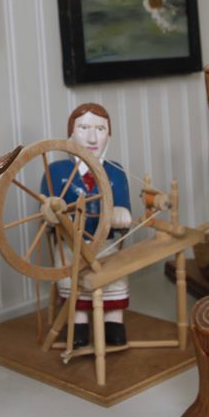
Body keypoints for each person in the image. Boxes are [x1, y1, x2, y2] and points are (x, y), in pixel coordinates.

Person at [41, 103, 132, 347]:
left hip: (107, 244)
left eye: (100, 129)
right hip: (70, 245)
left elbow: (123, 203)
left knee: (114, 276)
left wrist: (121, 212)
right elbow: (46, 204)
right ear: (70, 134)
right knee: (71, 279)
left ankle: (113, 322)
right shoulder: (57, 171)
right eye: (84, 128)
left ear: (109, 135)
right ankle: (77, 323)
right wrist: (53, 214)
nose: (92, 138)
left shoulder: (115, 171)